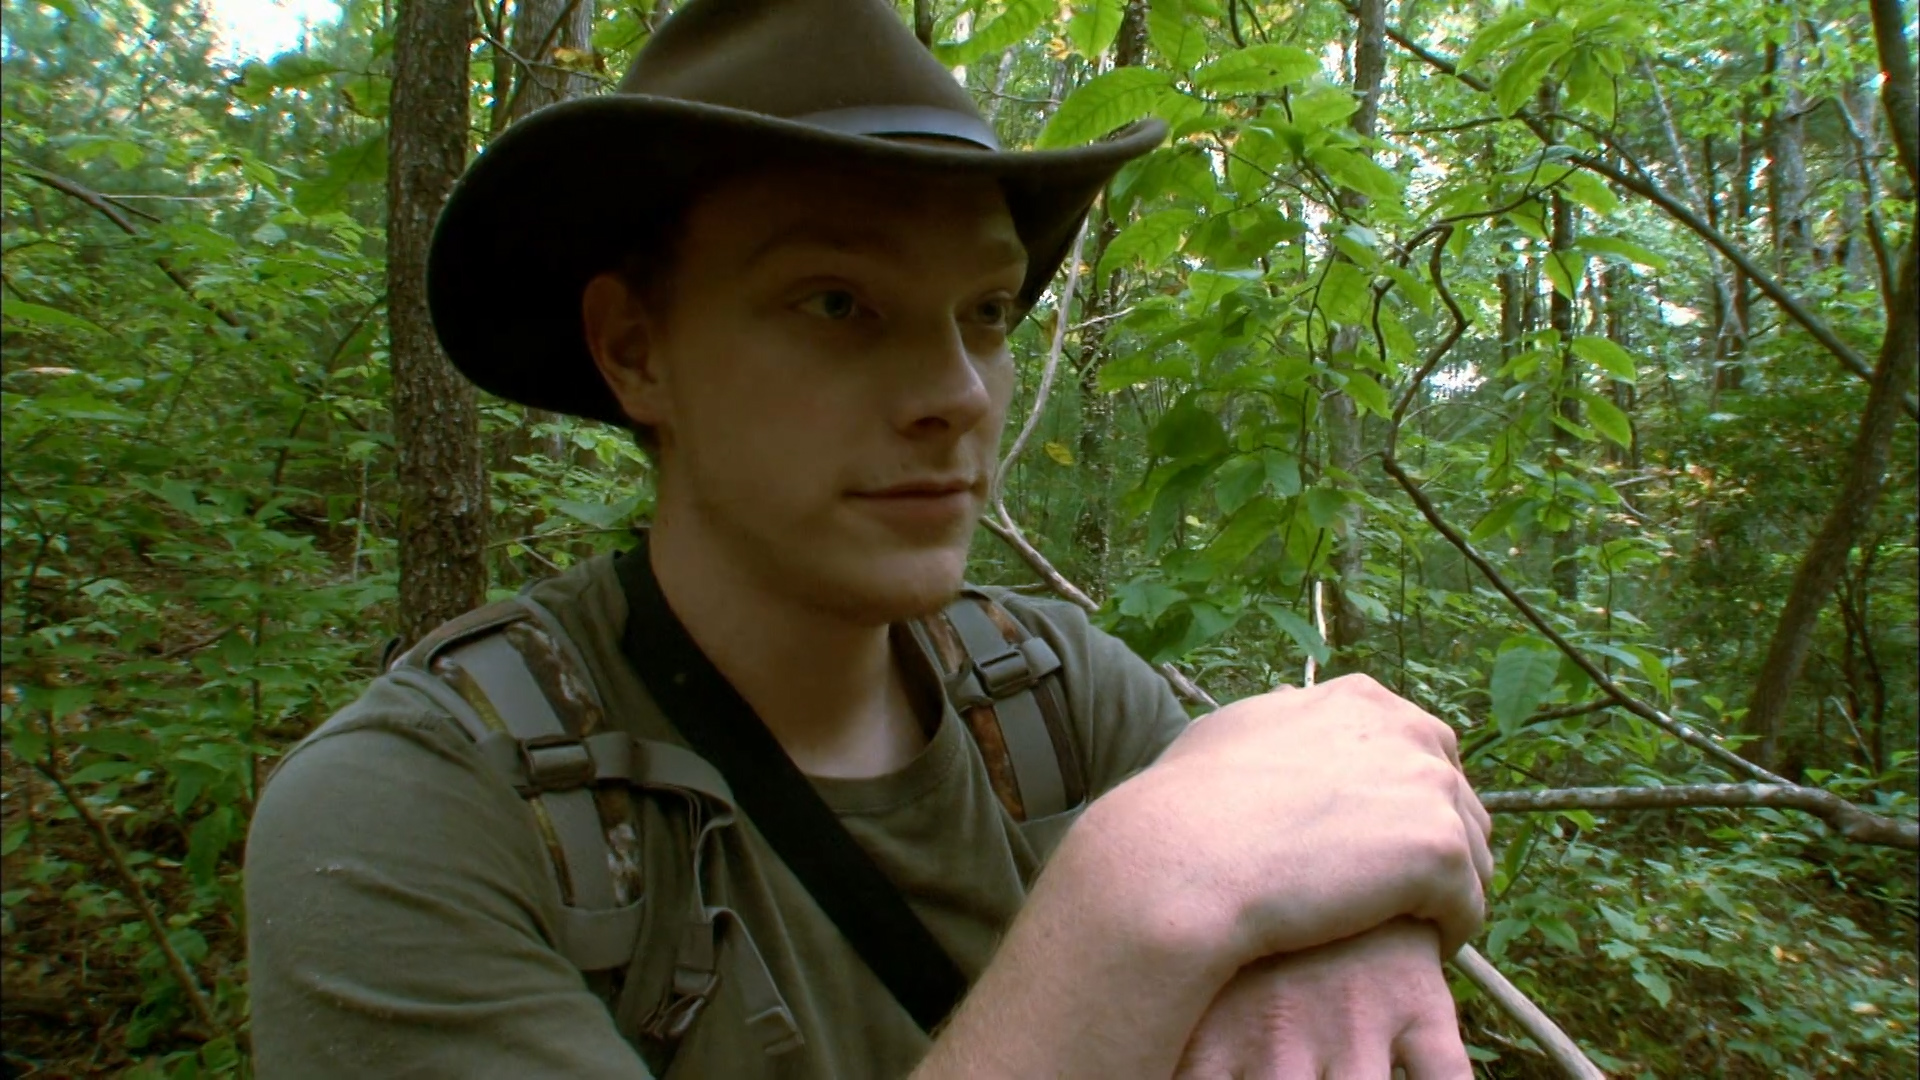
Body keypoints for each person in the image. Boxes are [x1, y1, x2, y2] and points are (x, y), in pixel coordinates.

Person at [245, 0, 1494, 1076]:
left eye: (987, 311)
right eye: (839, 302)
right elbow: (1195, 873)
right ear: (635, 350)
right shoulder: (416, 818)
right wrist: (1131, 899)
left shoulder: (1057, 702)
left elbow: (1356, 821)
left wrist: (1351, 932)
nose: (956, 391)